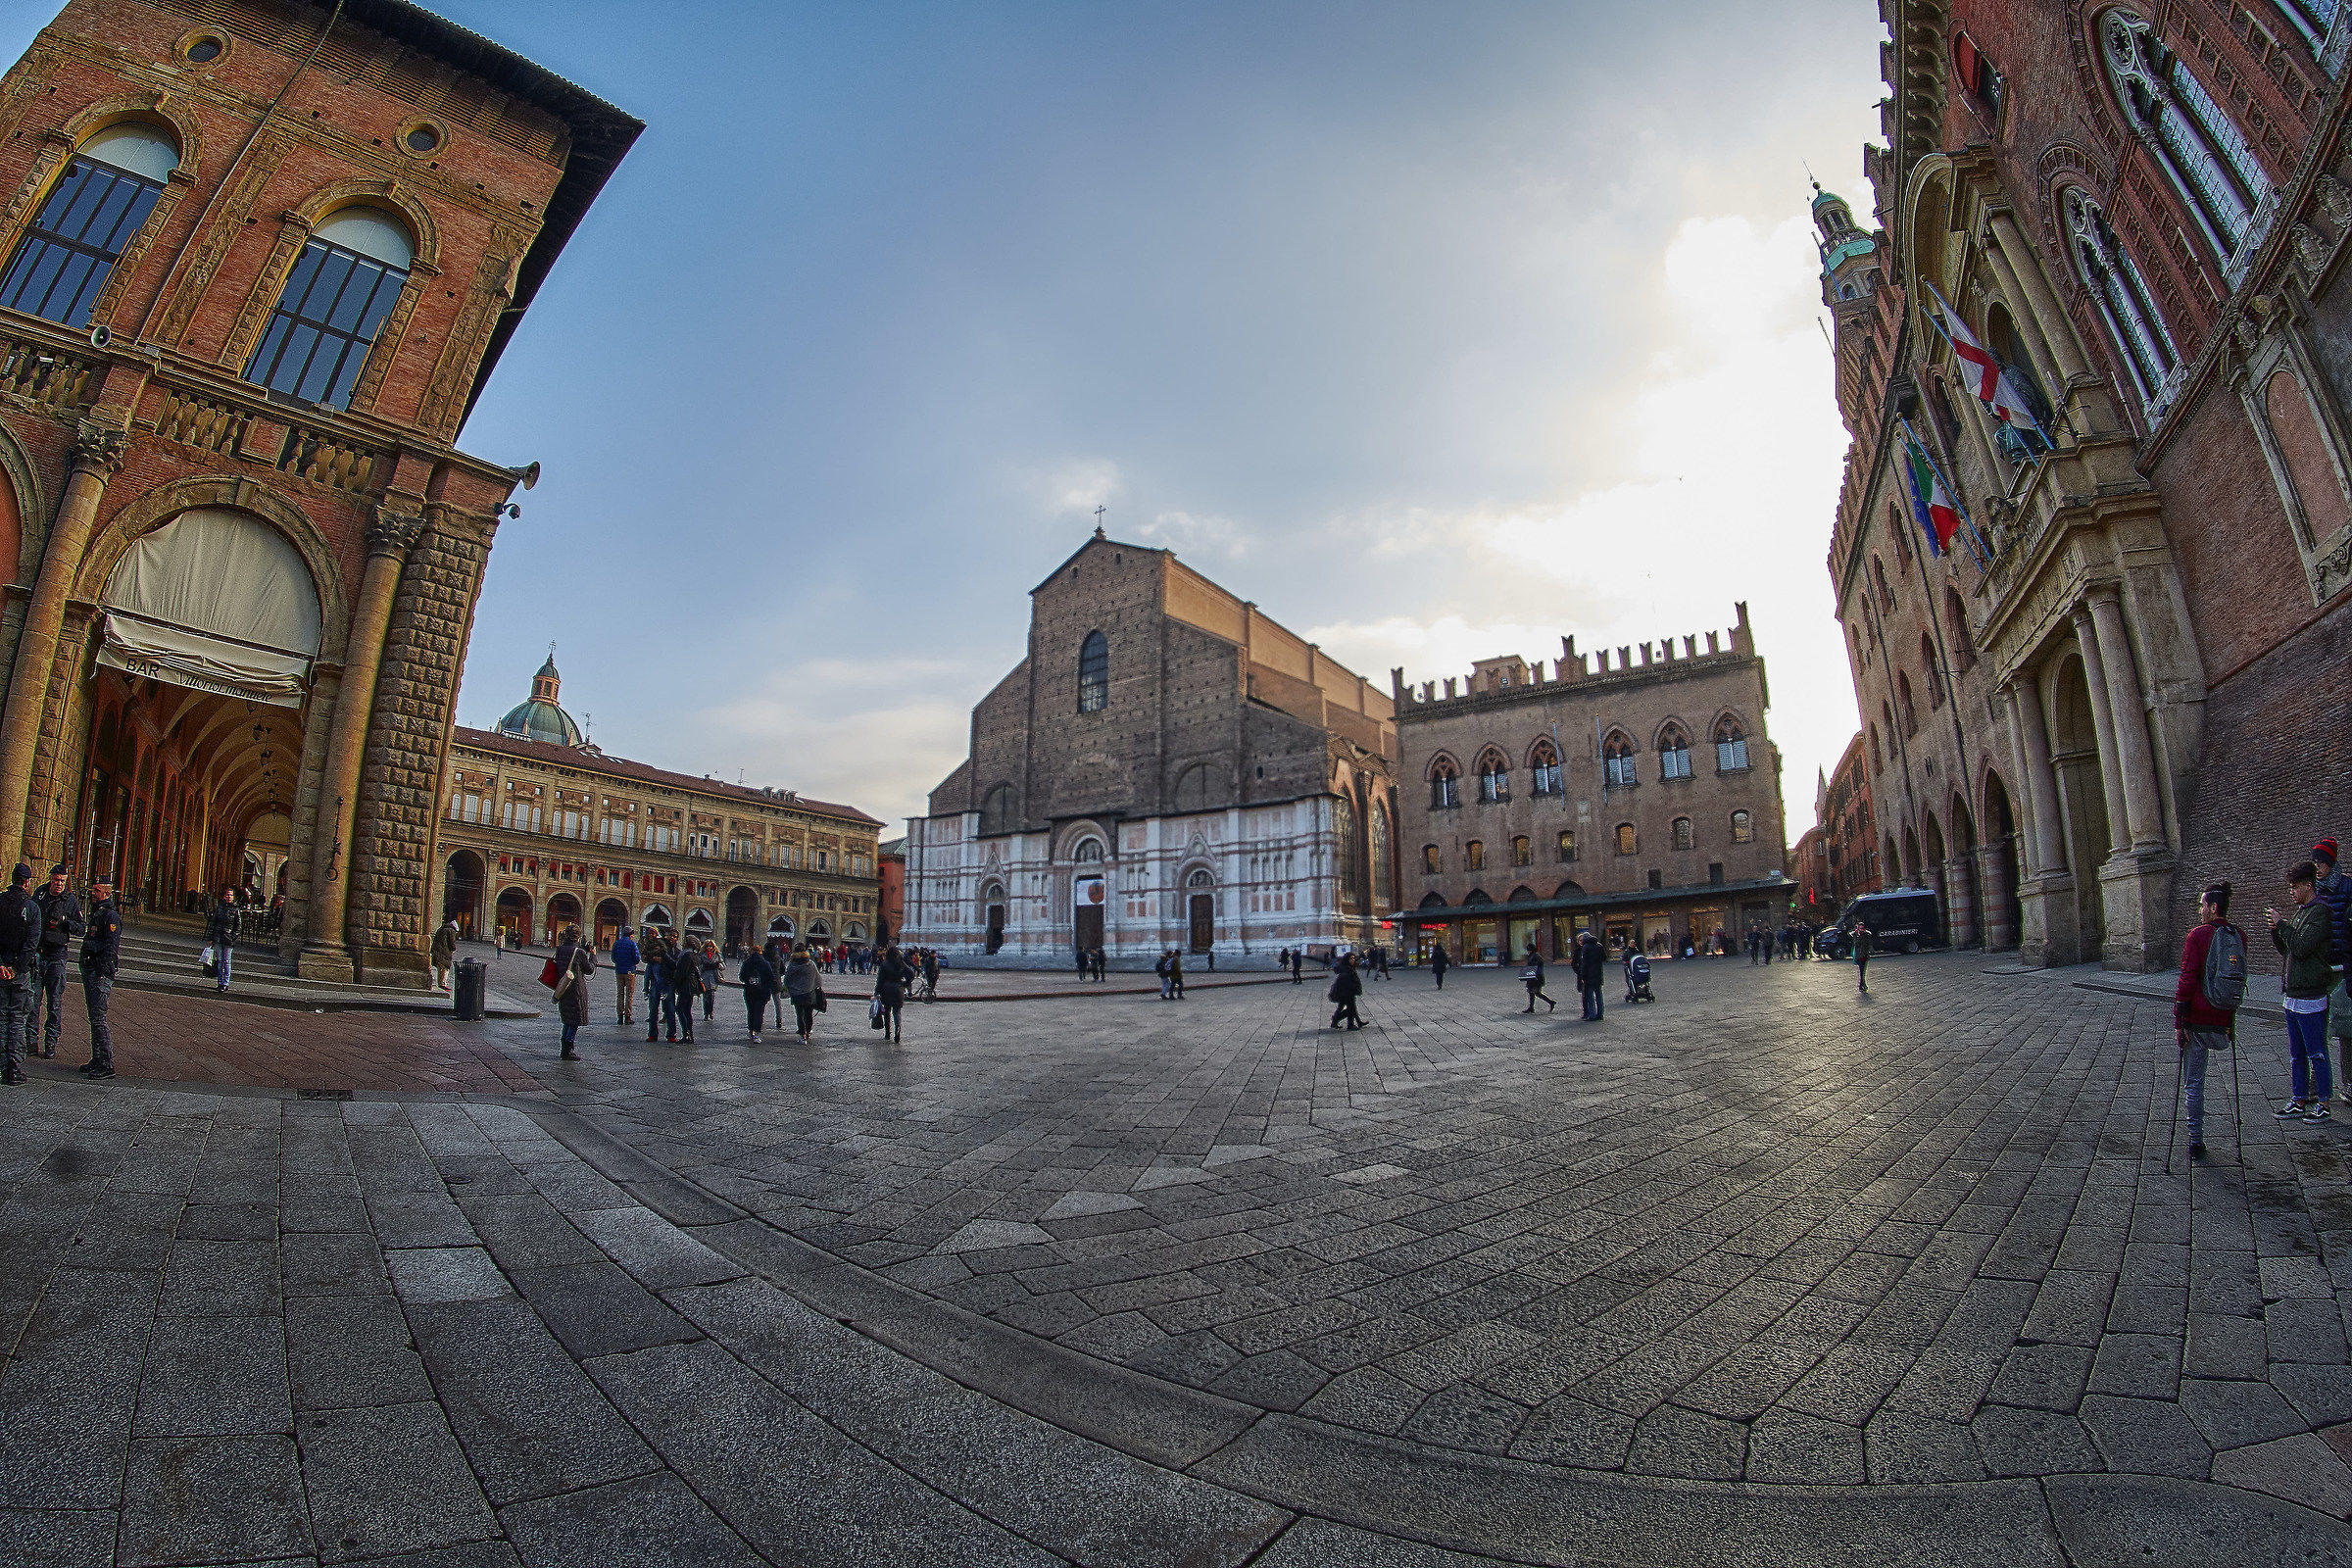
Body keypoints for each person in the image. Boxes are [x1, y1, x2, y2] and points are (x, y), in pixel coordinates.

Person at [2174, 882, 2241, 1160]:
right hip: (2223, 1019)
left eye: (2202, 905)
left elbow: (2187, 980)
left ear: (2213, 908)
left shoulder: (2198, 936)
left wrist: (2180, 1021)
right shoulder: (2239, 936)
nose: (2199, 910)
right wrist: (2230, 1021)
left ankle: (2195, 1140)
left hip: (2198, 1020)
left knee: (2194, 1083)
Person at [2269, 859, 2334, 1121]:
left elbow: (2303, 947)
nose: (2292, 892)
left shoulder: (2320, 913)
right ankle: (2298, 1099)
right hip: (2293, 996)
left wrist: (2283, 925)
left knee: (2317, 1052)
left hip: (2310, 996)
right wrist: (2277, 931)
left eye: (2295, 887)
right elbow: (2288, 950)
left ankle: (2325, 1103)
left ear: (2309, 885)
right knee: (2296, 1054)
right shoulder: (2301, 912)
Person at [2314, 839, 2351, 1102]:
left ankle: (2349, 1082)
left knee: (2346, 1028)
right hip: (2320, 966)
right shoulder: (2313, 890)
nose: (2316, 867)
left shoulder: (2348, 887)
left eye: (2320, 862)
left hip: (2343, 966)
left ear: (2330, 863)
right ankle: (2318, 1081)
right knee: (2318, 1027)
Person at [33, 864, 82, 1059]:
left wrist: (66, 923)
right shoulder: (40, 894)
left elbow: (81, 928)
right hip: (38, 955)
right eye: (56, 880)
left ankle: (51, 1042)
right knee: (33, 1001)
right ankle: (31, 1040)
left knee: (54, 1003)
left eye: (62, 881)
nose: (59, 884)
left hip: (57, 956)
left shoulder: (69, 900)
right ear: (50, 879)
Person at [75, 871, 121, 1080]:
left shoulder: (110, 916)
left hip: (99, 972)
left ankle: (106, 1063)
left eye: (96, 890)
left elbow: (111, 946)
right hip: (91, 968)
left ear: (106, 892)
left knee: (98, 1017)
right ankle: (97, 1058)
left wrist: (103, 972)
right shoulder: (98, 912)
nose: (92, 893)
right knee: (93, 1016)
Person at [0, 865, 36, 1085]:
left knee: (3, 1017)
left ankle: (4, 1067)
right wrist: (16, 968)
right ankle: (13, 1067)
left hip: (3, 969)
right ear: (27, 882)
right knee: (17, 1019)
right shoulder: (31, 907)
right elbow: (32, 944)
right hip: (20, 972)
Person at [550, 925, 594, 1060]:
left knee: (567, 1020)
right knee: (574, 1020)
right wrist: (593, 956)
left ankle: (564, 1048)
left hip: (563, 988)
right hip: (575, 990)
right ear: (578, 936)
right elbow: (589, 969)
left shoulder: (560, 949)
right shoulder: (579, 952)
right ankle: (568, 1049)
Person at [739, 943, 778, 1043]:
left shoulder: (747, 962)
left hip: (750, 990)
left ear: (751, 952)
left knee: (751, 1011)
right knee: (759, 1012)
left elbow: (742, 977)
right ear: (760, 952)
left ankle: (751, 1030)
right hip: (762, 991)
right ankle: (756, 1034)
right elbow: (771, 977)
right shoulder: (765, 963)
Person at [876, 945, 913, 1043]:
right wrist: (906, 983)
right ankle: (898, 1029)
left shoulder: (884, 964)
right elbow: (911, 974)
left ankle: (887, 1033)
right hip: (898, 989)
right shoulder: (901, 963)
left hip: (886, 989)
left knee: (887, 1012)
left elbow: (879, 980)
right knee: (897, 1012)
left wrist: (876, 992)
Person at [667, 938, 703, 1043]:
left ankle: (686, 1034)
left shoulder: (686, 955)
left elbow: (682, 972)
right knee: (687, 1010)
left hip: (686, 985)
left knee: (680, 1009)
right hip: (692, 985)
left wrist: (677, 983)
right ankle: (689, 1034)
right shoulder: (695, 955)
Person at [206, 887, 239, 993]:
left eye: (231, 895)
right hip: (218, 937)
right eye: (227, 895)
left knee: (227, 961)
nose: (229, 897)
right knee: (219, 961)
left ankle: (226, 982)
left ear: (233, 897)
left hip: (228, 938)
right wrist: (211, 937)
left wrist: (233, 937)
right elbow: (213, 923)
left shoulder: (236, 910)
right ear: (224, 897)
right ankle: (220, 982)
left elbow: (238, 926)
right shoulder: (219, 908)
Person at [784, 946, 819, 1043]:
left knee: (799, 1014)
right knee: (808, 1013)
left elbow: (787, 979)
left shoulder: (792, 964)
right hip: (809, 992)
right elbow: (817, 978)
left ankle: (802, 1035)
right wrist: (814, 986)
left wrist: (788, 988)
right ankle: (808, 1030)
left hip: (797, 993)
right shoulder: (811, 964)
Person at [643, 931, 671, 1042]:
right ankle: (652, 1034)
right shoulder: (647, 942)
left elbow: (662, 954)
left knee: (667, 1008)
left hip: (663, 980)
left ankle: (670, 1034)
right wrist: (652, 956)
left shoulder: (661, 943)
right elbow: (644, 955)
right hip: (654, 980)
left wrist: (651, 955)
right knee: (653, 1009)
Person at [612, 927, 640, 1026]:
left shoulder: (617, 943)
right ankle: (628, 1017)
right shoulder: (632, 944)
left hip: (619, 971)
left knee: (620, 994)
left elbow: (613, 958)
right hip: (629, 972)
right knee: (629, 995)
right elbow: (637, 959)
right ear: (630, 934)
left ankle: (620, 1016)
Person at [1329, 952, 1364, 1030]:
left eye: (1354, 958)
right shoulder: (1346, 970)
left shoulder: (1348, 968)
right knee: (1351, 1009)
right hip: (1346, 992)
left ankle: (1356, 1022)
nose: (1353, 960)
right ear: (1347, 960)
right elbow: (1345, 982)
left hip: (1347, 992)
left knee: (1348, 1008)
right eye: (1351, 958)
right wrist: (1352, 989)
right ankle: (1345, 1022)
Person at [1577, 931, 1606, 1021]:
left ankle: (1592, 1015)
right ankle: (1600, 1014)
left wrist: (1582, 976)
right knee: (1599, 995)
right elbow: (1604, 958)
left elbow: (1584, 963)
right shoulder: (1599, 946)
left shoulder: (1586, 947)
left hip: (1589, 975)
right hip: (1598, 974)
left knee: (1590, 996)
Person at [1520, 945, 1555, 1013]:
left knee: (1536, 992)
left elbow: (1535, 967)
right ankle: (1531, 1007)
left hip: (1537, 978)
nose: (1528, 951)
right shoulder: (1532, 956)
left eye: (1528, 950)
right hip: (1532, 977)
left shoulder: (1536, 956)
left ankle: (1551, 1002)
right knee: (1531, 992)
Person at [429, 917, 459, 993]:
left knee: (440, 967)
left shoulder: (441, 929)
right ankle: (442, 983)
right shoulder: (451, 931)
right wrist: (453, 949)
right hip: (444, 952)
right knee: (445, 967)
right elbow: (451, 942)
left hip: (437, 950)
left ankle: (440, 983)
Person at [699, 941, 721, 1022]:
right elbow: (699, 966)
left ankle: (710, 1011)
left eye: (711, 946)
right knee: (705, 997)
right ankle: (706, 1014)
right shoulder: (702, 955)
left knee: (711, 997)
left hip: (713, 977)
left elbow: (723, 966)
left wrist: (717, 965)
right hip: (705, 977)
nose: (709, 948)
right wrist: (704, 967)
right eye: (708, 946)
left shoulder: (717, 955)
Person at [1854, 918, 1874, 994]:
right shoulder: (1856, 935)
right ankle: (1863, 985)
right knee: (1861, 971)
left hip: (1865, 955)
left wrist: (1871, 950)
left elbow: (1869, 944)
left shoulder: (1866, 935)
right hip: (1859, 956)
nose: (1862, 930)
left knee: (1863, 971)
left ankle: (1862, 985)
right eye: (1860, 928)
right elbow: (1855, 943)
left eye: (1863, 928)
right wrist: (1858, 935)